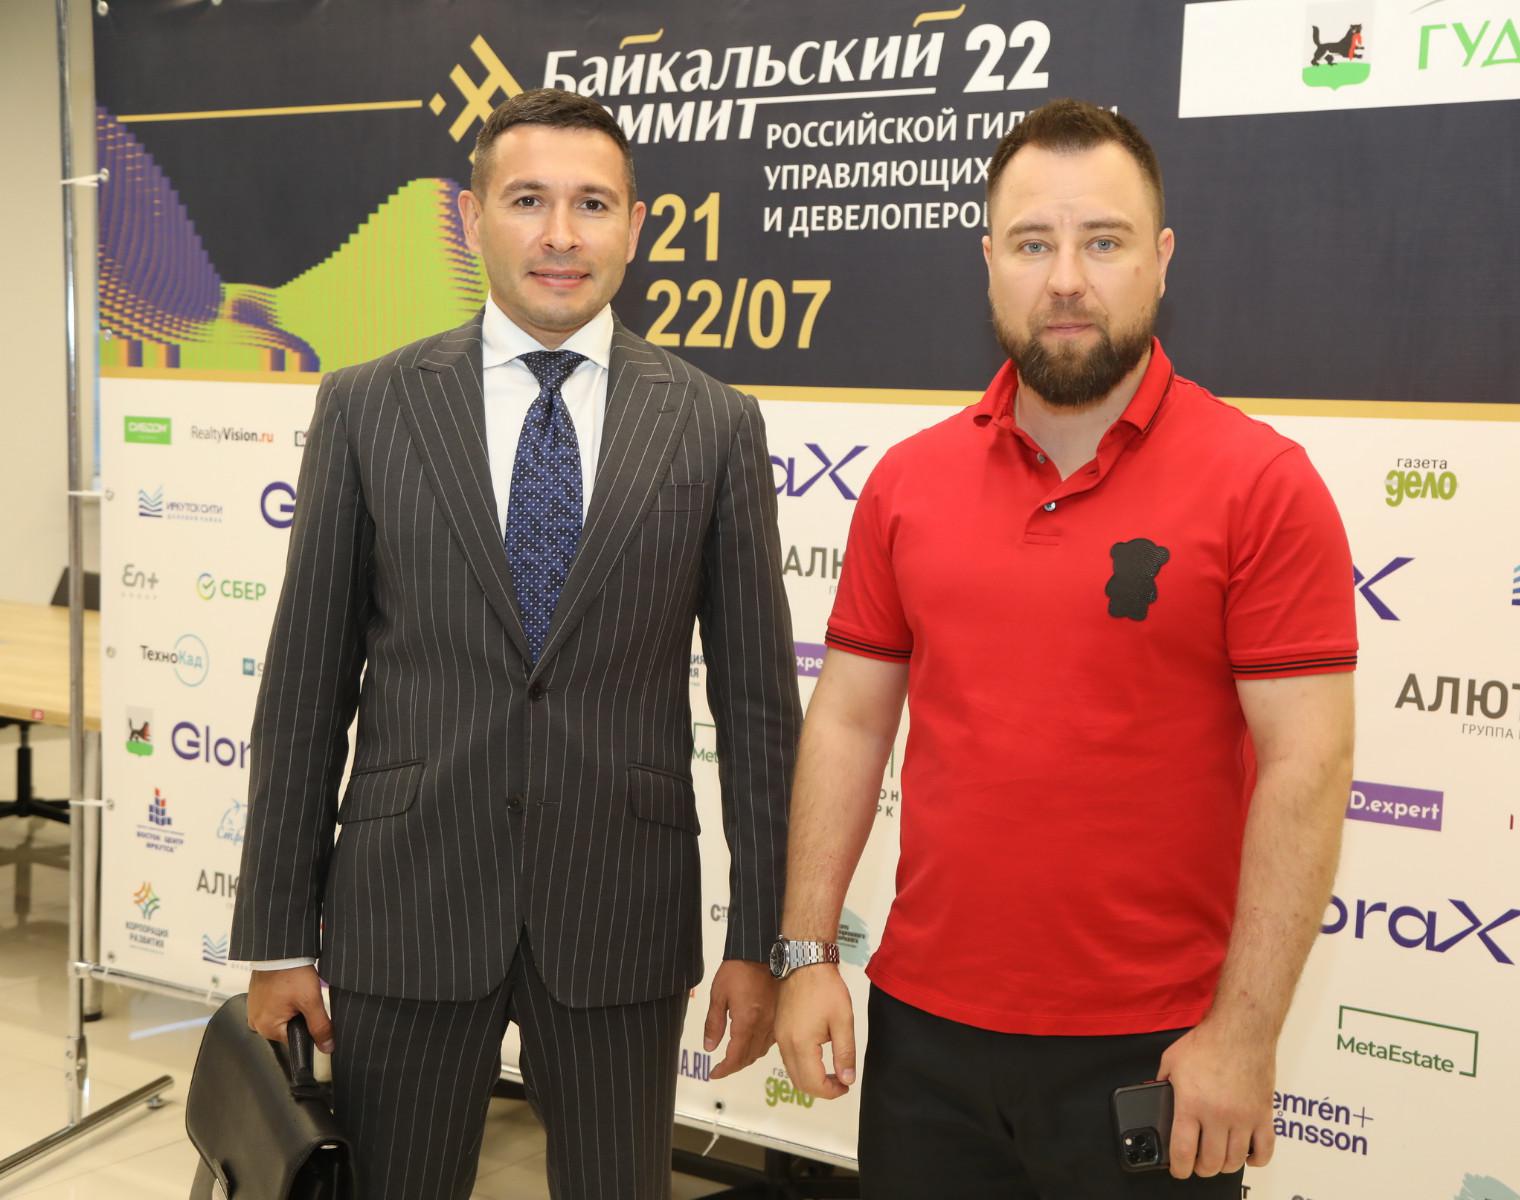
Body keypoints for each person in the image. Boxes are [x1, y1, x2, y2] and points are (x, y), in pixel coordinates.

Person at [771, 98, 1357, 1198]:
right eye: (1034, 243)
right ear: (990, 262)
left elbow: (1307, 767)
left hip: (1158, 1053)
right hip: (924, 1040)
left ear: (1162, 259)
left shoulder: (1263, 484)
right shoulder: (906, 482)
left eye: (1104, 241)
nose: (1068, 279)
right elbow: (848, 721)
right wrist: (806, 954)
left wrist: (1243, 1034)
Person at [229, 88, 801, 1198]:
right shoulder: (368, 408)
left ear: (636, 227)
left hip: (619, 913)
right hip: (408, 904)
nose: (560, 235)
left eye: (593, 204)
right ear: (473, 216)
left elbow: (760, 713)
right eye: (529, 200)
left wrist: (761, 938)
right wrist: (280, 938)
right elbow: (304, 690)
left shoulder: (714, 424)